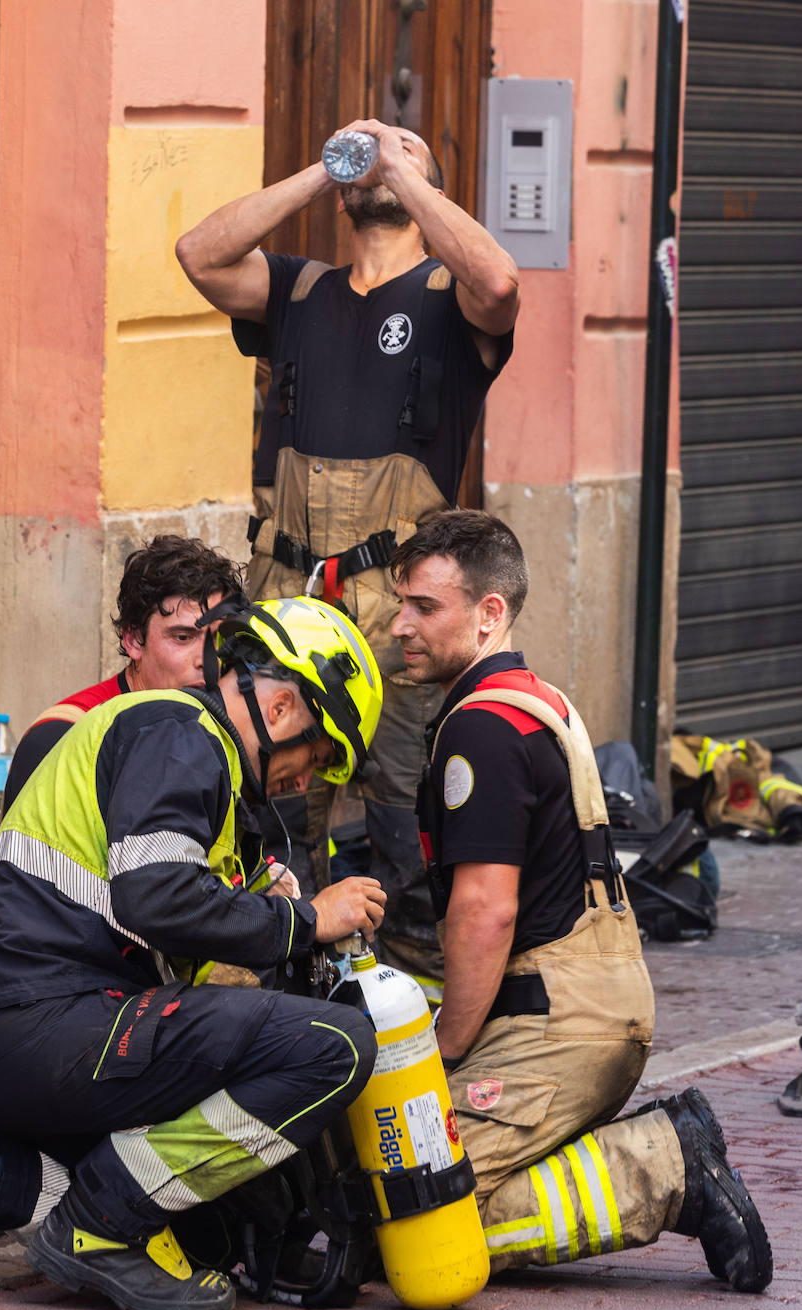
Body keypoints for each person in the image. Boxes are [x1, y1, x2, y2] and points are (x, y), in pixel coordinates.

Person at [0, 597, 388, 1310]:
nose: (308, 781)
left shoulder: (190, 759)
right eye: (320, 754)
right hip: (46, 1021)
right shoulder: (182, 734)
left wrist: (255, 907)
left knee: (204, 1227)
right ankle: (98, 1228)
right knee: (333, 1048)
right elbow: (159, 897)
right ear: (279, 709)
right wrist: (302, 920)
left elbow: (175, 931)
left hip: (20, 1033)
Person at [387, 509, 772, 1292]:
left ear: (490, 614)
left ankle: (664, 1169)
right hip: (594, 1005)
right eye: (401, 604)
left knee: (408, 1220)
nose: (400, 625)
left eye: (425, 607)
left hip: (552, 1026)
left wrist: (446, 1054)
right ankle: (639, 1155)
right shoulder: (538, 700)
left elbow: (486, 912)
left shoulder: (481, 731)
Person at [175, 118, 520, 989]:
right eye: (369, 145)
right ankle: (290, 995)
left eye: (401, 144)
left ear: (427, 185)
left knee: (404, 810)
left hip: (395, 608)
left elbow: (499, 281)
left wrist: (407, 180)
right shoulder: (299, 291)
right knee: (278, 808)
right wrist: (318, 172)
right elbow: (199, 255)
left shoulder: (451, 299)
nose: (377, 148)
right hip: (288, 602)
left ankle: (417, 1007)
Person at [2, 534, 245, 812]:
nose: (207, 660)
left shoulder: (225, 730)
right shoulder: (60, 736)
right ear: (133, 640)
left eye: (219, 640)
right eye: (182, 637)